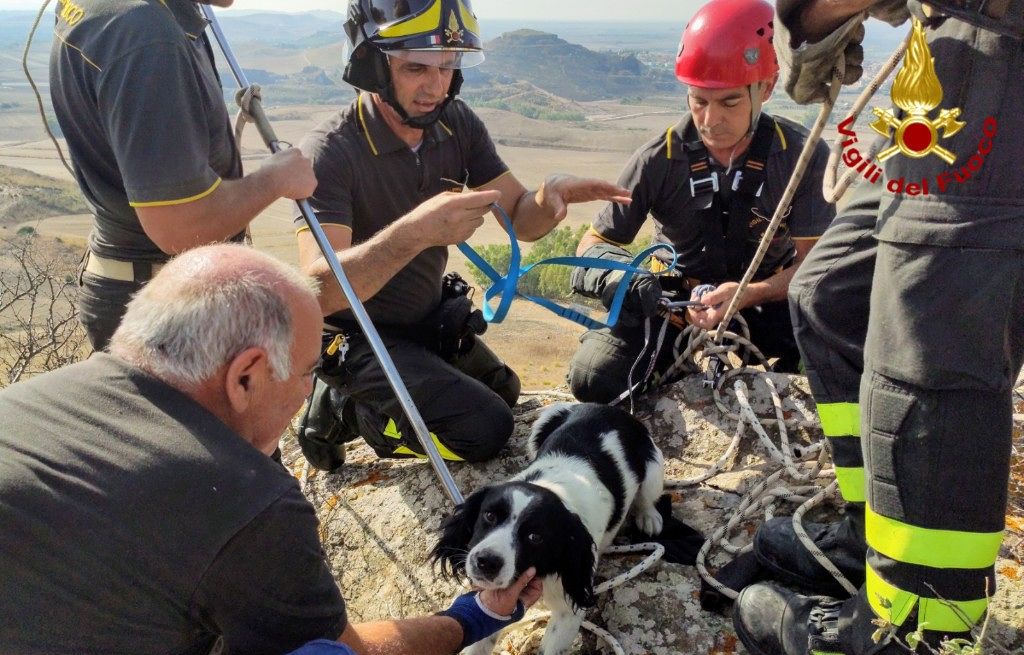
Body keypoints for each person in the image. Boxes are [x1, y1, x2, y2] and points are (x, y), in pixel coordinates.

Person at [0, 244, 542, 655]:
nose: (309, 391)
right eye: (309, 372)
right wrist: (472, 616)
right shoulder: (238, 495)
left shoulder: (32, 401)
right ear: (246, 375)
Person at [733, 0, 1022, 655]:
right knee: (835, 294)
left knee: (931, 322)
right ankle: (877, 542)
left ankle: (912, 645)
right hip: (968, 52)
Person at [294, 0, 632, 471]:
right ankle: (344, 408)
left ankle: (377, 394)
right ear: (372, 63)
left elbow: (518, 215)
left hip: (425, 320)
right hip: (358, 335)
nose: (437, 86)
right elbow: (321, 291)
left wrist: (549, 199)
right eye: (416, 67)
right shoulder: (331, 152)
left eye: (449, 66)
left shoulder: (455, 124)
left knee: (505, 393)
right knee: (483, 431)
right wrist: (415, 234)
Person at [564, 0, 836, 406]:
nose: (710, 120)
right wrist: (627, 281)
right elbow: (591, 246)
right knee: (594, 377)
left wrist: (751, 293)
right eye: (698, 101)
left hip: (763, 305)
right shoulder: (658, 159)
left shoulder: (801, 156)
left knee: (844, 345)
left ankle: (780, 382)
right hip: (672, 305)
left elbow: (812, 267)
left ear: (765, 88)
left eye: (728, 102)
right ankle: (677, 360)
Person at [49, 0, 317, 351]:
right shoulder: (145, 33)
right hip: (168, 308)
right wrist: (274, 178)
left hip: (144, 289)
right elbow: (180, 225)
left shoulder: (121, 13)